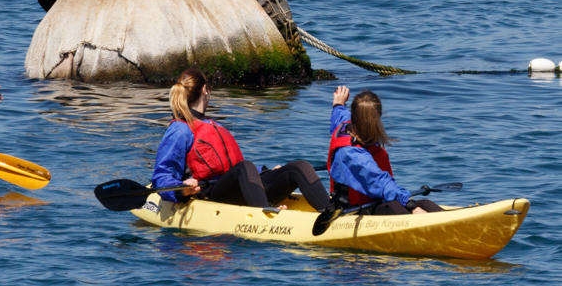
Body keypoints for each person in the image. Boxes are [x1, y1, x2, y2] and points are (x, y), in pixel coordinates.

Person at [151, 68, 331, 211]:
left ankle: (331, 213)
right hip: (209, 194)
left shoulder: (215, 126)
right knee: (245, 167)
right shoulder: (180, 130)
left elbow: (234, 168)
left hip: (238, 189)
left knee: (299, 167)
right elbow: (162, 176)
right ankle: (266, 214)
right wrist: (182, 189)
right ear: (205, 90)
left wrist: (266, 171)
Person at [328, 86, 443, 215]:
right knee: (400, 208)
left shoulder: (346, 123)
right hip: (353, 210)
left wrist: (338, 103)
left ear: (354, 116)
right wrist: (411, 205)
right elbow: (380, 183)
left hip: (375, 202)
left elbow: (339, 114)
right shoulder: (354, 155)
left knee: (427, 204)